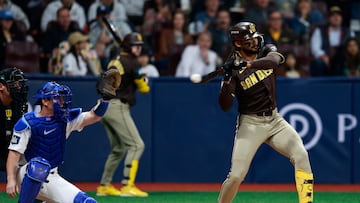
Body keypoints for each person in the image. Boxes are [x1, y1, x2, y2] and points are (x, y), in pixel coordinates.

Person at [216, 22, 314, 203]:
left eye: (255, 37)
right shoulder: (233, 68)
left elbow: (275, 61)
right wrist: (228, 78)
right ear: (238, 43)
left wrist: (248, 64)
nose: (255, 41)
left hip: (275, 120)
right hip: (251, 124)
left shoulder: (266, 49)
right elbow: (225, 105)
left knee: (301, 155)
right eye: (249, 39)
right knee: (236, 175)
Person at [6, 81, 112, 203]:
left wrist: (106, 99)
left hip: (52, 176)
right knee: (38, 167)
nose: (61, 102)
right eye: (57, 98)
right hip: (27, 173)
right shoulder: (28, 122)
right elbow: (14, 153)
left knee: (88, 202)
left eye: (62, 98)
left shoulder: (64, 120)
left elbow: (94, 116)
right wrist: (11, 179)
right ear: (45, 101)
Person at [97, 32, 150, 197]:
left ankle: (104, 186)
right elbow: (144, 88)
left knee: (118, 148)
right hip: (117, 106)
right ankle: (128, 185)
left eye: (140, 46)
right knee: (137, 145)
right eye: (136, 45)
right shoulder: (133, 63)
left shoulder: (116, 59)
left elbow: (108, 77)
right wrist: (144, 80)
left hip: (104, 106)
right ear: (128, 46)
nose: (139, 48)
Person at [310, 6, 354, 76]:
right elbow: (315, 48)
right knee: (317, 63)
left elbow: (353, 47)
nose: (336, 18)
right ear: (328, 19)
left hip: (343, 60)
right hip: (325, 59)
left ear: (342, 18)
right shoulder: (319, 31)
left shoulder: (349, 32)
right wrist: (323, 56)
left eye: (338, 15)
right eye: (333, 16)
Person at [0, 67, 27, 172]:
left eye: (19, 84)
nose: (18, 87)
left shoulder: (17, 104)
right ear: (1, 86)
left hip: (7, 150)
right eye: (14, 84)